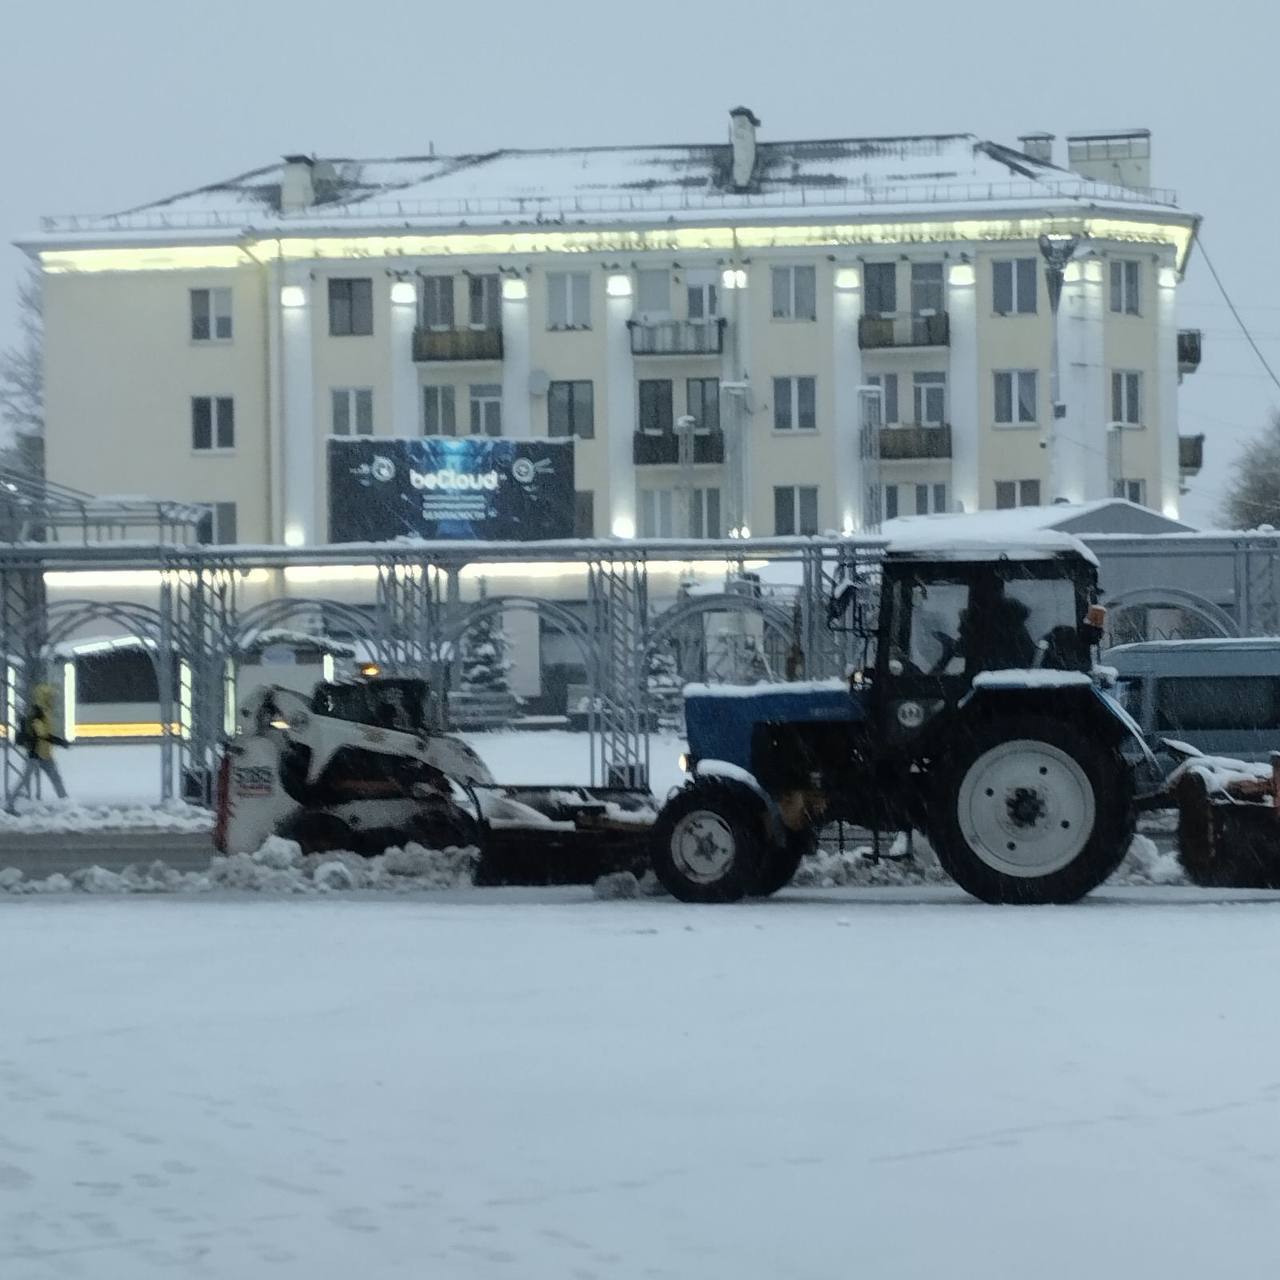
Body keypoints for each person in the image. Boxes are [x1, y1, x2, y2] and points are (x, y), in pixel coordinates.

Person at [7, 684, 70, 813]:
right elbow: (42, 734)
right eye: (51, 697)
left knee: (54, 779)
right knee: (30, 780)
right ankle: (10, 804)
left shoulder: (43, 711)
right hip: (36, 754)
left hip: (43, 753)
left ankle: (66, 804)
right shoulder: (39, 712)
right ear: (45, 697)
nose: (53, 699)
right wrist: (60, 742)